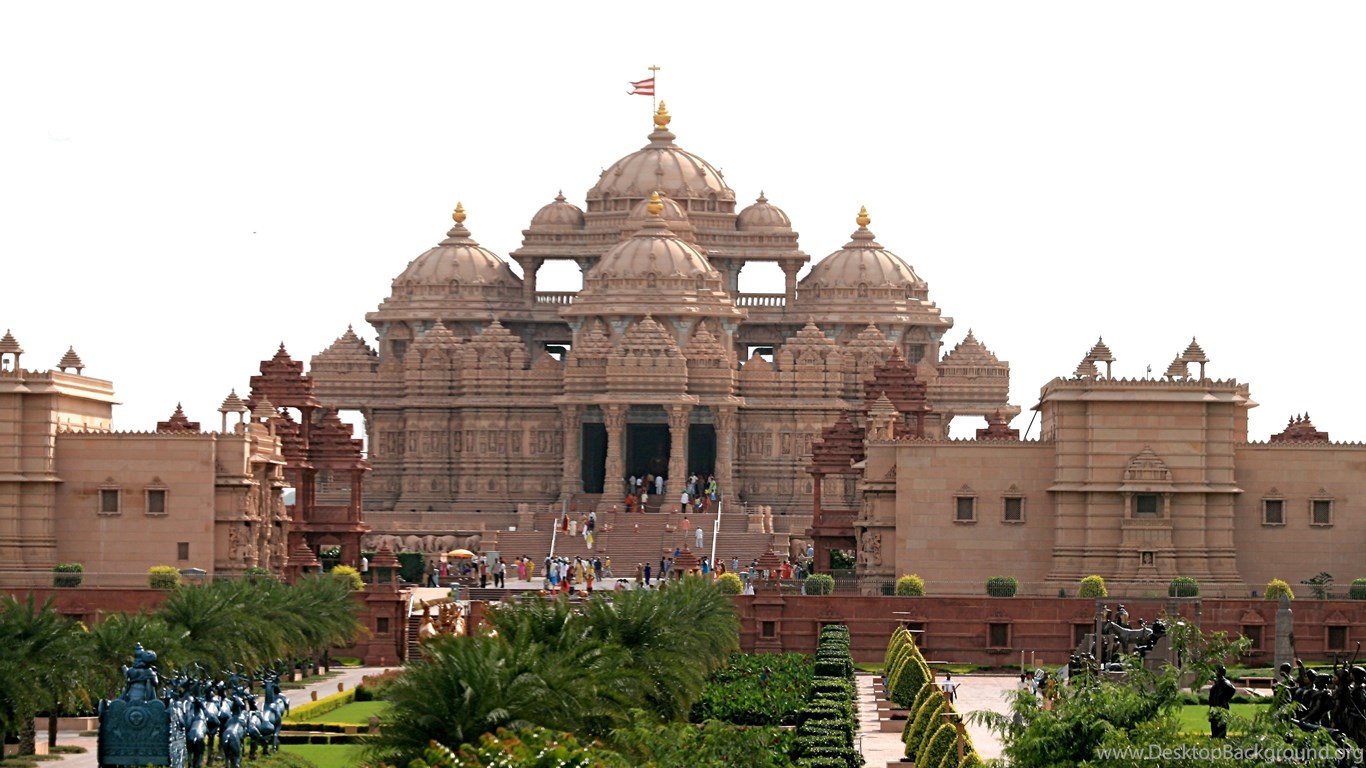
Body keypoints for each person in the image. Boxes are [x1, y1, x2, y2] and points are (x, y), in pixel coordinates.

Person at [1208, 664, 1236, 738]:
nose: (1216, 673)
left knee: (1221, 722)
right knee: (1214, 722)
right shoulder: (1218, 682)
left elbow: (1232, 689)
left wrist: (1225, 698)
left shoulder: (1224, 682)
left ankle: (1221, 736)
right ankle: (1214, 736)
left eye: (1217, 671)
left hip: (1220, 706)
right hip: (1214, 705)